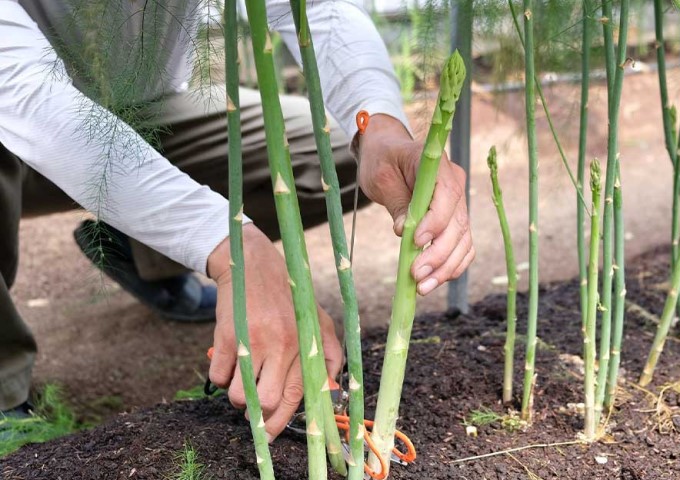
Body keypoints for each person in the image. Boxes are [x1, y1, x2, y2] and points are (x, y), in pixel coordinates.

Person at [0, 0, 474, 440]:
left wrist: (381, 130)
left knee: (330, 149)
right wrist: (230, 245)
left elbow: (318, 9)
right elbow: (26, 97)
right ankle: (5, 394)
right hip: (17, 117)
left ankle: (140, 244)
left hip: (150, 109)